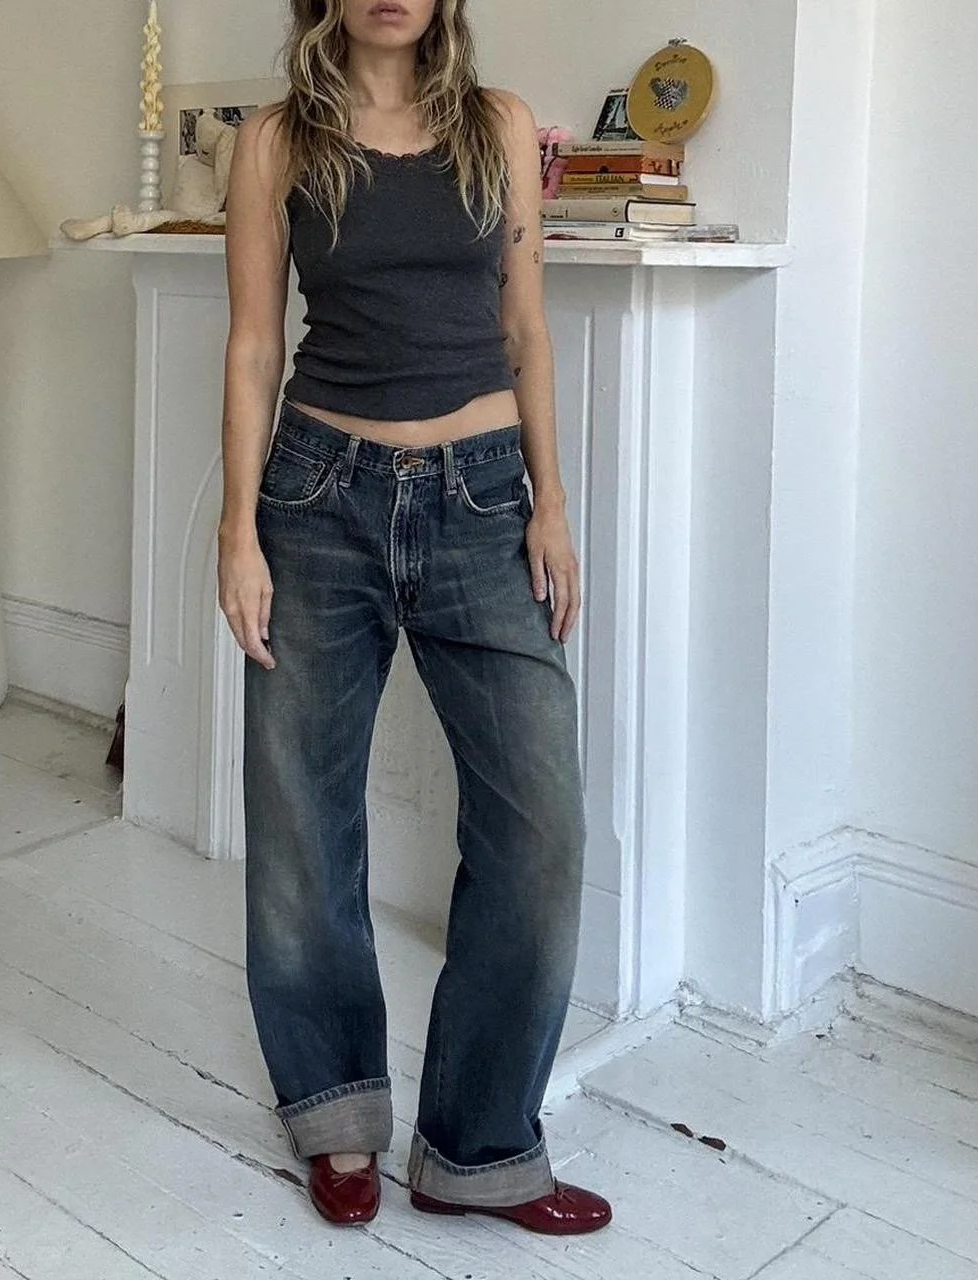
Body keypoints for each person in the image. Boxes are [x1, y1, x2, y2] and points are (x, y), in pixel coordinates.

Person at [218, 0, 611, 1236]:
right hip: (316, 494)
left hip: (483, 498)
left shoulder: (497, 126)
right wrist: (236, 531)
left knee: (537, 824)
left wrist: (549, 506)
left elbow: (523, 327)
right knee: (301, 822)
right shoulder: (276, 139)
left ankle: (477, 1148)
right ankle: (335, 1114)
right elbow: (251, 346)